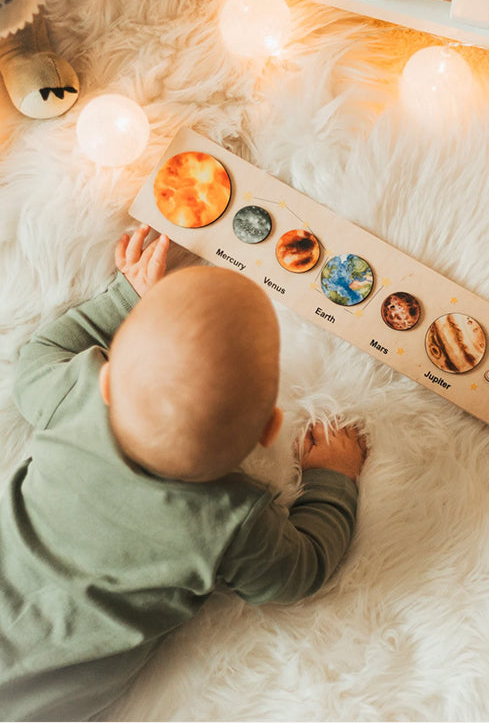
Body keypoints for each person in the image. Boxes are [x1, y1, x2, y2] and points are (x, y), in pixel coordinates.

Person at [0, 224, 367, 722]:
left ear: (106, 377)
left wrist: (123, 299)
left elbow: (37, 360)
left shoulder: (76, 399)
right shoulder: (233, 520)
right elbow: (300, 572)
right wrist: (331, 481)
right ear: (270, 429)